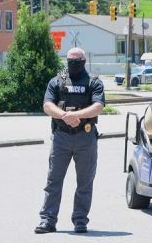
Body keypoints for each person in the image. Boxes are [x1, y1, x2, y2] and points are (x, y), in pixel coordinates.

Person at [35, 47, 105, 234]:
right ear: (66, 60)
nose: (74, 62)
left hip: (85, 136)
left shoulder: (94, 82)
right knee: (53, 180)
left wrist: (77, 115)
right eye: (71, 59)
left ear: (84, 60)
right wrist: (66, 116)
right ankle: (48, 220)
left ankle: (80, 220)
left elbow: (98, 106)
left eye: (78, 59)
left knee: (84, 181)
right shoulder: (56, 81)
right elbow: (47, 105)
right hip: (61, 136)